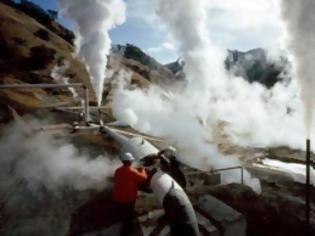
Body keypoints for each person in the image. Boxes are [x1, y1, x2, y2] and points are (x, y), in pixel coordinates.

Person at [112, 152, 148, 235]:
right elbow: (144, 178)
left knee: (122, 210)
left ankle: (121, 219)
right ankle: (126, 230)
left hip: (118, 196)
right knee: (128, 215)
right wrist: (142, 169)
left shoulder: (118, 170)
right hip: (128, 198)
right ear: (130, 161)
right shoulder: (132, 171)